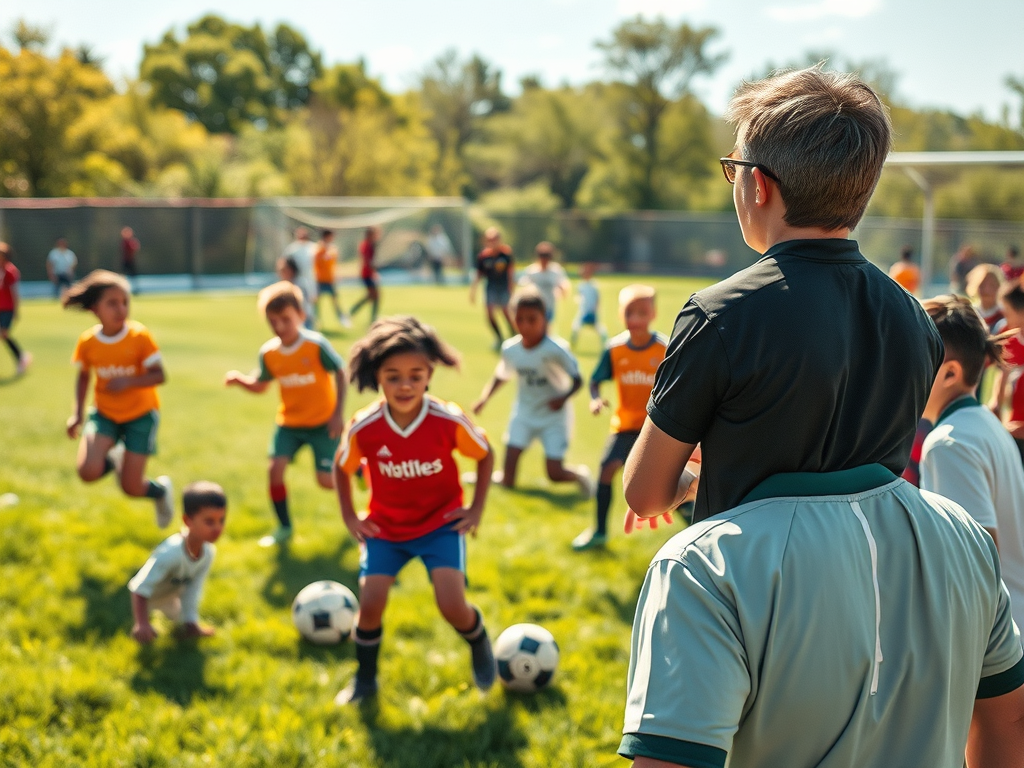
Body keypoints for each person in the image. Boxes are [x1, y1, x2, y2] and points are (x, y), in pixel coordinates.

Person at [619, 67, 1023, 768]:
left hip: (766, 605)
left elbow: (644, 492)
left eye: (731, 167)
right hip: (901, 590)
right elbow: (1005, 729)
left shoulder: (718, 315)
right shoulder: (911, 319)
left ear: (758, 184)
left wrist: (690, 479)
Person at [333, 315, 496, 704]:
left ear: (429, 375)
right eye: (393, 376)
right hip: (386, 528)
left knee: (452, 605)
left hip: (440, 525)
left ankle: (478, 641)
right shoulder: (364, 427)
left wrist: (474, 510)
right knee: (370, 603)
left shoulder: (447, 420)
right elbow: (342, 469)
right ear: (377, 377)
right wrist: (351, 517)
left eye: (415, 375)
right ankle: (365, 680)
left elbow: (486, 454)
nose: (405, 385)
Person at [917, 295, 1024, 632]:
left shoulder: (949, 443)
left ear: (950, 372)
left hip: (994, 639)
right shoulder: (984, 424)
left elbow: (976, 563)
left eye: (914, 358)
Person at [225, 282, 346, 547]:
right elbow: (260, 385)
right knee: (275, 471)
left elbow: (340, 372)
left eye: (286, 320)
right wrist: (240, 381)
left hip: (323, 423)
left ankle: (358, 476)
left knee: (326, 481)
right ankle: (284, 527)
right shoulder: (269, 353)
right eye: (273, 321)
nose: (279, 327)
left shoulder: (315, 345)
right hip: (289, 423)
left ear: (301, 315)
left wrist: (338, 414)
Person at [63, 270, 174, 527]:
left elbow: (159, 375)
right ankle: (114, 457)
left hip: (140, 416)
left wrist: (129, 381)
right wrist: (77, 414)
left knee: (131, 487)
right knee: (87, 472)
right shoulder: (88, 341)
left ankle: (160, 492)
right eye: (112, 303)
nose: (121, 309)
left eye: (125, 302)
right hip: (104, 413)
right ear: (94, 309)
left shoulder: (139, 336)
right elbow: (83, 377)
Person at [572, 284, 666, 551]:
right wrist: (595, 399)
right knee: (606, 470)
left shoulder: (664, 348)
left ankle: (698, 527)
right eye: (629, 313)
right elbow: (595, 381)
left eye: (642, 313)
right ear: (620, 314)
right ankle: (599, 532)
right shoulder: (614, 349)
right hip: (624, 425)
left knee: (669, 482)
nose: (635, 319)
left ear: (653, 314)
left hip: (655, 426)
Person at [472, 288, 591, 496]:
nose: (525, 325)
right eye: (519, 319)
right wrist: (484, 398)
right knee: (508, 479)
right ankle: (491, 478)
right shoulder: (511, 349)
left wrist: (562, 398)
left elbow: (578, 379)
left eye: (532, 319)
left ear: (544, 318)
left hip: (553, 416)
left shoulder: (556, 349)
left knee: (554, 474)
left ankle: (581, 475)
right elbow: (502, 375)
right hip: (525, 413)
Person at [128, 481, 227, 644]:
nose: (217, 528)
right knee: (143, 632)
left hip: (170, 598)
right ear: (188, 521)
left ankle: (188, 625)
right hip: (145, 600)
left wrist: (191, 622)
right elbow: (139, 588)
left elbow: (193, 589)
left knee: (180, 624)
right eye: (209, 521)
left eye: (221, 520)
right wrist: (142, 624)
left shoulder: (208, 552)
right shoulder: (170, 553)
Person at [992, 280, 1024, 463]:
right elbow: (1002, 377)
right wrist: (995, 405)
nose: (1004, 317)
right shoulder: (1010, 341)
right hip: (1014, 431)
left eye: (1007, 311)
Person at [469, 227, 515, 349]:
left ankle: (514, 335)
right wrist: (473, 291)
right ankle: (499, 338)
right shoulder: (483, 256)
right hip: (491, 287)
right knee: (489, 313)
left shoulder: (505, 253)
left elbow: (511, 272)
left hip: (504, 286)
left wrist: (512, 289)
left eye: (494, 239)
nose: (492, 242)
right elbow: (478, 275)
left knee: (506, 312)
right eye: (489, 239)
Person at [518, 241, 570, 321]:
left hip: (549, 305)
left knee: (545, 328)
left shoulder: (556, 270)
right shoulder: (532, 271)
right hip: (535, 306)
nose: (544, 261)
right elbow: (523, 284)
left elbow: (563, 283)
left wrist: (562, 290)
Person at [0, 243, 31, 375]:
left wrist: (16, 311)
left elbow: (14, 292)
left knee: (4, 334)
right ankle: (21, 357)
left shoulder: (11, 271)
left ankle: (21, 357)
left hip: (7, 308)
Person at [313, 229, 351, 329]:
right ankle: (315, 322)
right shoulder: (318, 248)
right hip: (320, 280)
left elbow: (333, 263)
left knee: (336, 302)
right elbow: (317, 262)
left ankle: (343, 320)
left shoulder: (332, 248)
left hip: (330, 280)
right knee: (316, 302)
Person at [283, 227, 317, 329]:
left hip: (310, 282)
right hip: (296, 282)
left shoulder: (313, 248)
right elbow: (285, 265)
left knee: (309, 308)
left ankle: (309, 329)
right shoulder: (292, 249)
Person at [570, 262, 608, 349]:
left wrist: (595, 308)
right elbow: (579, 296)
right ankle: (573, 343)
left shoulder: (593, 285)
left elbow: (597, 297)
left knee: (598, 328)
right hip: (583, 310)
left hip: (591, 310)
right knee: (576, 326)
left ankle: (605, 343)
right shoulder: (581, 285)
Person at [350, 227, 381, 323]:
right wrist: (373, 270)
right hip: (366, 274)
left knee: (373, 296)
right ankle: (356, 311)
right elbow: (366, 260)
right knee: (374, 295)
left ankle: (356, 311)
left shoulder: (371, 244)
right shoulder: (366, 245)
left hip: (369, 274)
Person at [966, 263, 1005, 332]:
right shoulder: (970, 313)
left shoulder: (1006, 314)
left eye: (992, 285)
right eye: (982, 285)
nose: (987, 290)